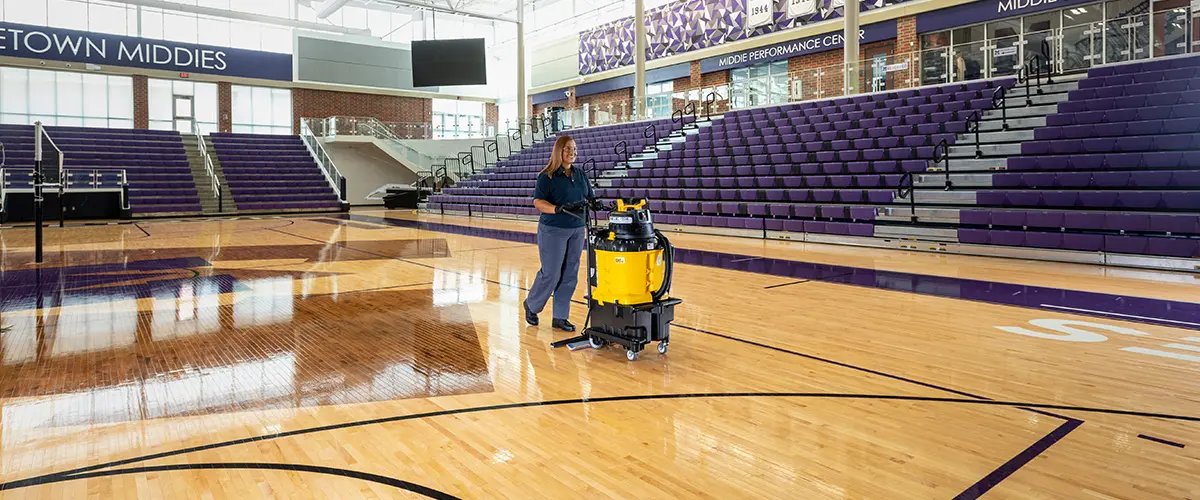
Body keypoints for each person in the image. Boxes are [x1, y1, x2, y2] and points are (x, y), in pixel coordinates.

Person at [523, 135, 595, 332]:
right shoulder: (546, 176)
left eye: (574, 149)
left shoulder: (580, 174)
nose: (572, 152)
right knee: (552, 273)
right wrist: (556, 208)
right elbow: (538, 202)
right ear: (558, 151)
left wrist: (593, 202)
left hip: (577, 228)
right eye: (567, 149)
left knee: (570, 274)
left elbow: (589, 195)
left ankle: (560, 317)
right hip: (553, 229)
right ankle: (532, 304)